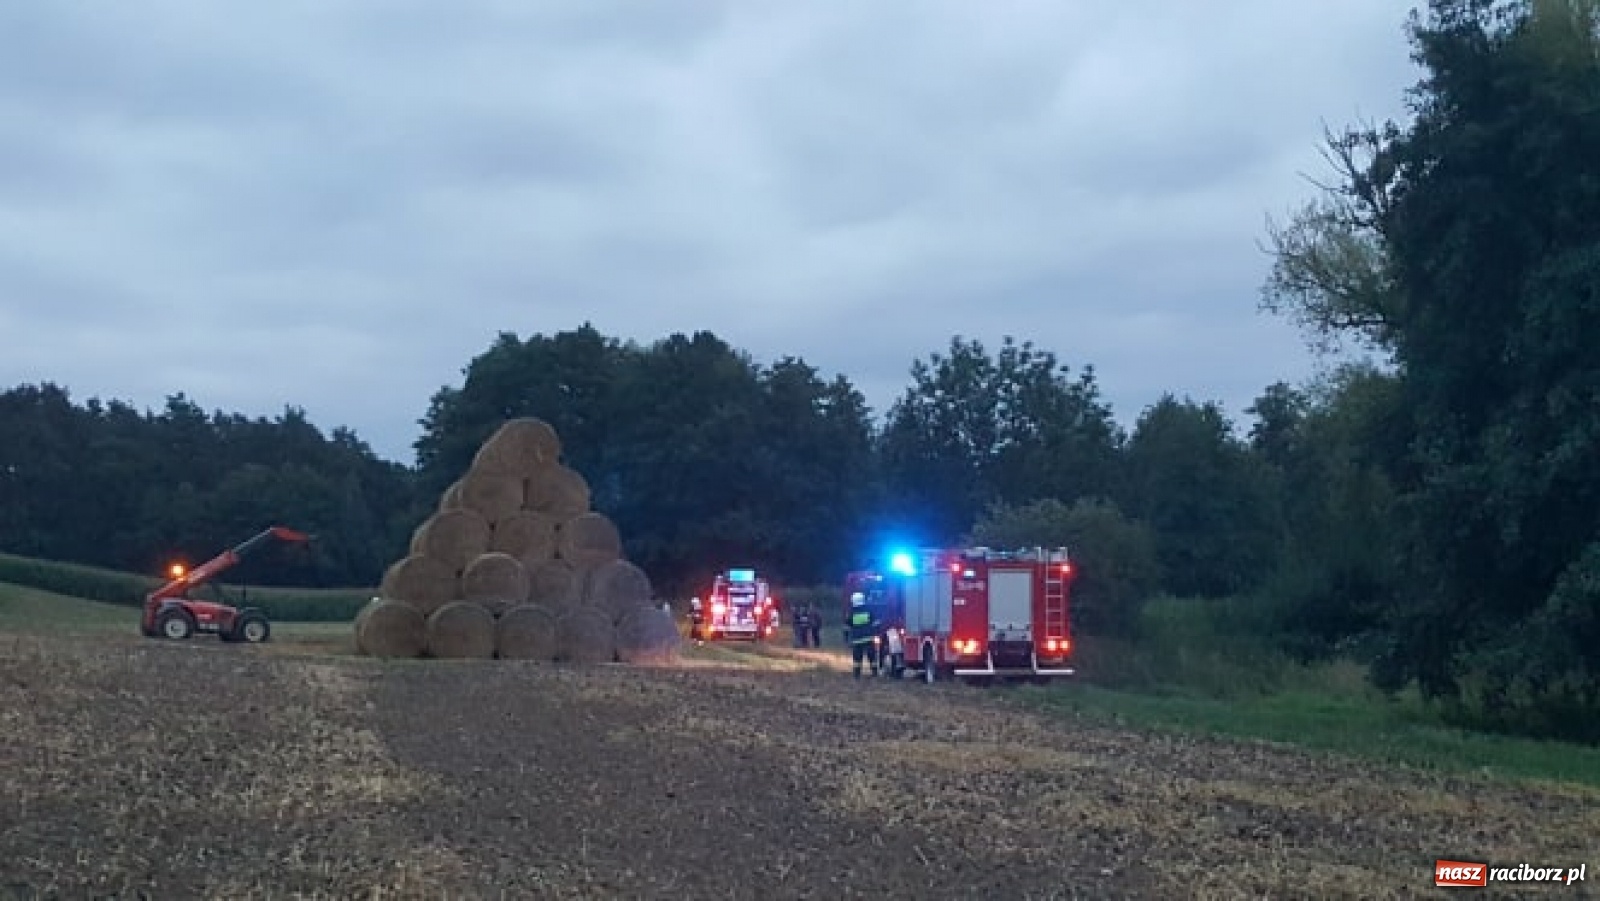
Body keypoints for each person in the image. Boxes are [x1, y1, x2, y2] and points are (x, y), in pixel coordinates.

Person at [846, 592, 879, 678]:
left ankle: (857, 675)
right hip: (869, 638)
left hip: (857, 639)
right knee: (872, 656)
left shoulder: (851, 612)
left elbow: (848, 623)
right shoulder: (868, 610)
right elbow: (875, 622)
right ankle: (874, 673)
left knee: (857, 658)